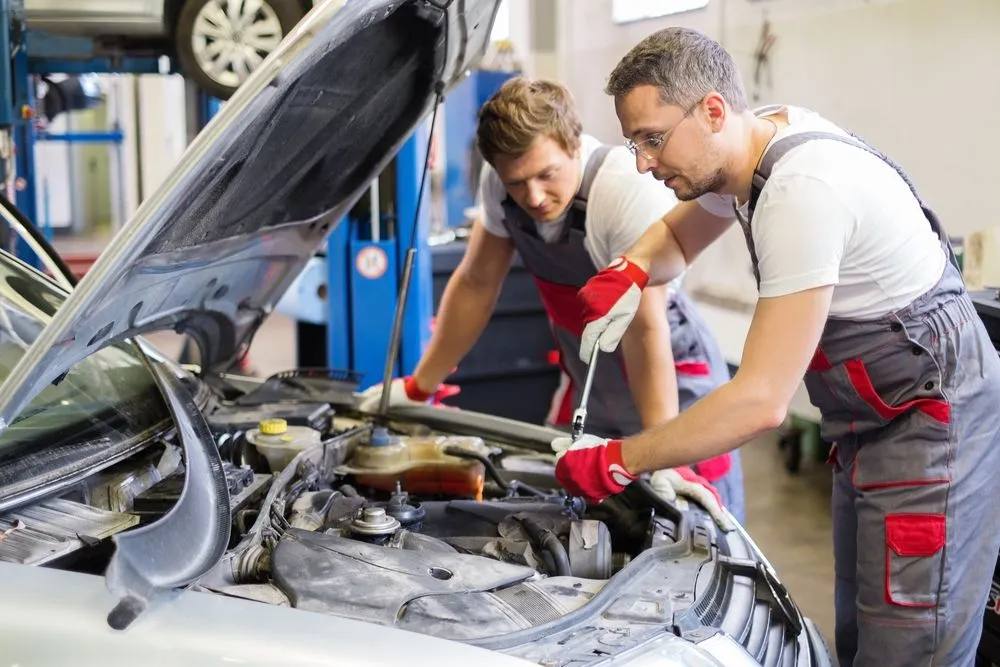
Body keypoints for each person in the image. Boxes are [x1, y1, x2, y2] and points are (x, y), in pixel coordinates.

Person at [552, 26, 1000, 667]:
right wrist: (632, 267)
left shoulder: (800, 192)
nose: (644, 163)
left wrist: (622, 459)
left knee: (910, 648)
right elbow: (676, 240)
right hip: (870, 426)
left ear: (712, 110)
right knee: (864, 633)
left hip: (932, 429)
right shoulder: (750, 145)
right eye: (634, 143)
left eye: (653, 139)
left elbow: (760, 401)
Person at [359, 76, 745, 525]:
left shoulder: (621, 191)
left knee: (694, 521)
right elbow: (477, 283)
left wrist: (663, 451)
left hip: (668, 373)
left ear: (574, 144)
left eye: (547, 175)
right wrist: (420, 387)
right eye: (517, 182)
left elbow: (644, 329)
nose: (534, 197)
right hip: (590, 372)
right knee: (567, 507)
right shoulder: (500, 184)